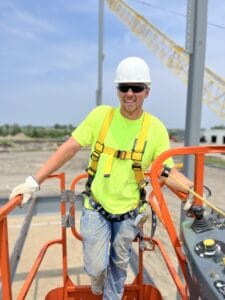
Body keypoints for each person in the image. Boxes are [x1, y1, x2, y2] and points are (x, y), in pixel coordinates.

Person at [10, 57, 193, 300]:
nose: (129, 93)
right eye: (123, 87)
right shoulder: (101, 117)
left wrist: (191, 192)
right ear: (117, 90)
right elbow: (70, 148)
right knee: (96, 267)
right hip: (96, 208)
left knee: (118, 266)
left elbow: (164, 170)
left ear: (147, 92)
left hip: (130, 211)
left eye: (136, 88)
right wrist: (34, 181)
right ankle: (98, 281)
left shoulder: (155, 129)